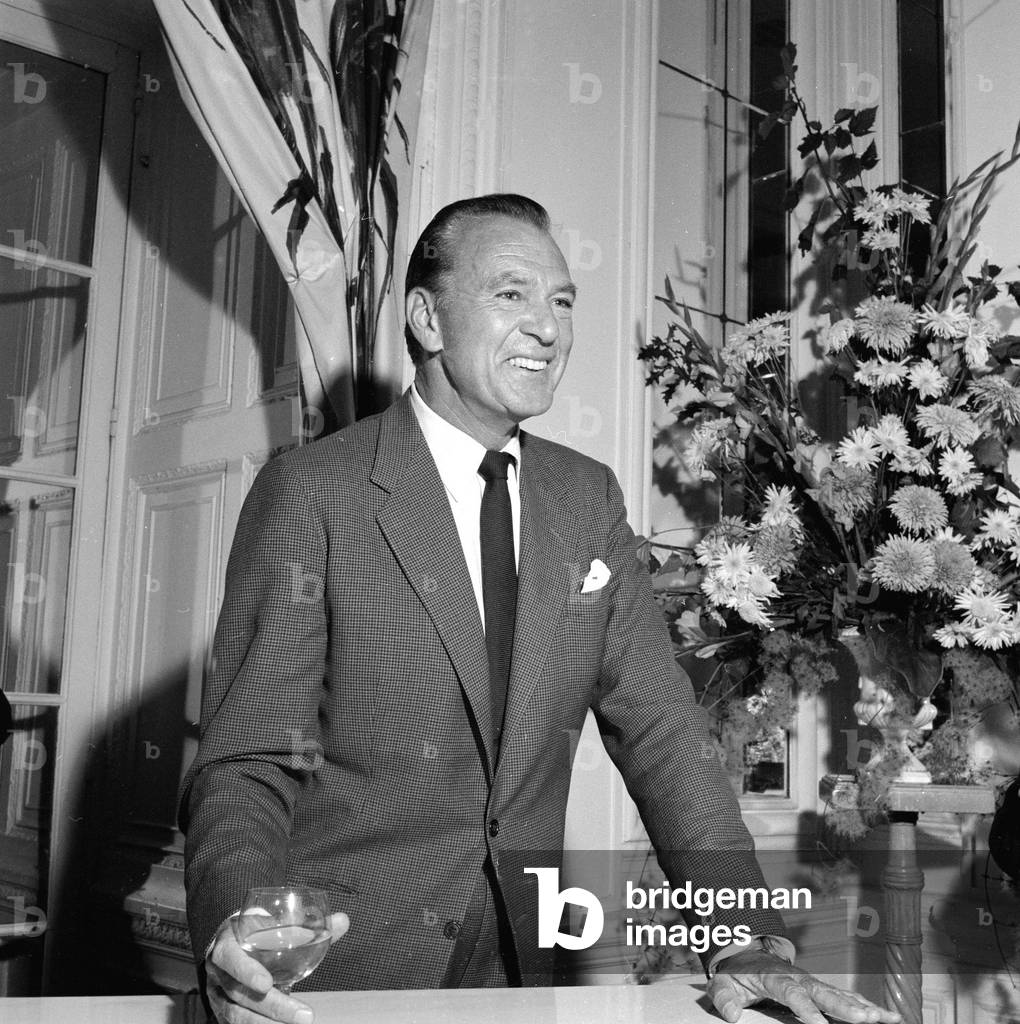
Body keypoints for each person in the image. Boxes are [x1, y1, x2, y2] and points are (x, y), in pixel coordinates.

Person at [181, 194, 900, 1024]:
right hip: (333, 980)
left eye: (561, 302)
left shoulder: (586, 497)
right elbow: (247, 761)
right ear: (426, 318)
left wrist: (743, 940)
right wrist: (243, 933)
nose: (548, 328)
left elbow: (664, 733)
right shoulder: (313, 492)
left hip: (522, 977)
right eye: (511, 294)